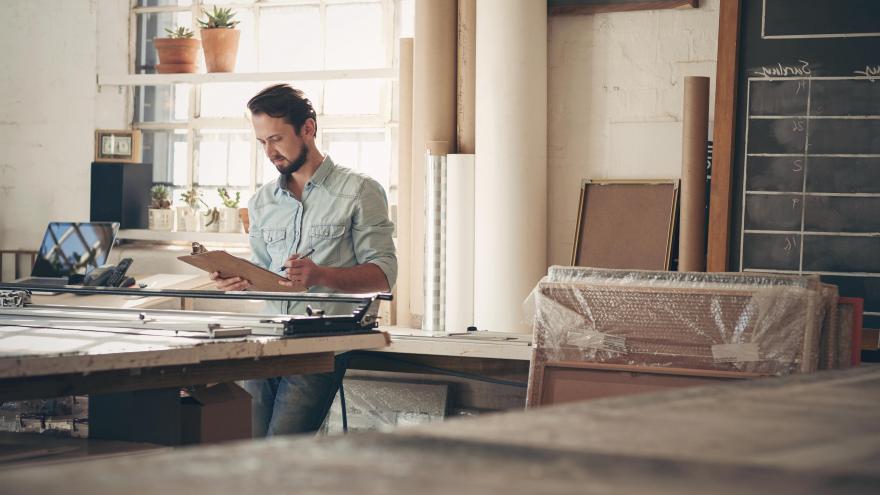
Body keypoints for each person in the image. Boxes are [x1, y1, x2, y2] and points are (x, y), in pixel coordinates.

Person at [209, 84, 397, 436]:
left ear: (308, 129)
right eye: (262, 141)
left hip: (319, 348)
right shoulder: (263, 201)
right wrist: (239, 279)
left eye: (276, 138)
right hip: (266, 343)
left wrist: (320, 274)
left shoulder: (359, 191)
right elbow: (267, 274)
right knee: (248, 453)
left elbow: (384, 276)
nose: (269, 151)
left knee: (281, 453)